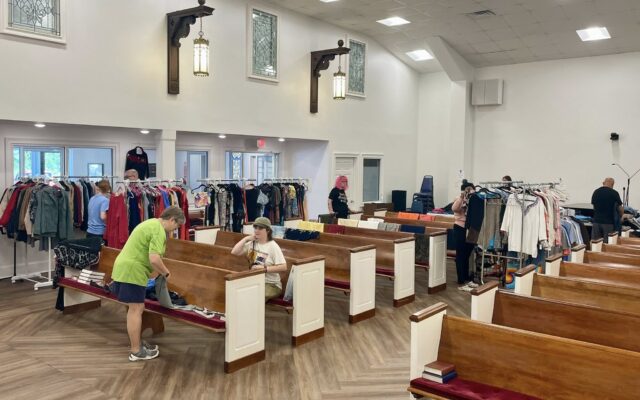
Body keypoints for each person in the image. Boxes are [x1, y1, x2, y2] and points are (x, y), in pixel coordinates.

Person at [110, 206, 185, 361]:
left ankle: (137, 343)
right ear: (172, 219)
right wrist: (166, 273)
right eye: (177, 226)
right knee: (135, 309)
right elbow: (154, 259)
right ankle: (136, 351)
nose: (175, 230)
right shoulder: (158, 230)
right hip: (132, 271)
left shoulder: (151, 223)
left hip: (126, 268)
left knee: (137, 308)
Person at [231, 217, 287, 301]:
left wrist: (265, 268)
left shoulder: (272, 246)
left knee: (254, 295)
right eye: (255, 228)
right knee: (237, 291)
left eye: (260, 228)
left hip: (271, 284)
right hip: (255, 280)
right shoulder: (252, 243)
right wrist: (246, 239)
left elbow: (284, 267)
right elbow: (234, 252)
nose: (256, 230)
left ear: (268, 230)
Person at [452, 182, 478, 291]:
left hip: (470, 228)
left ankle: (466, 275)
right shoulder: (459, 199)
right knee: (460, 253)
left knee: (467, 252)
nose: (469, 191)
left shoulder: (474, 199)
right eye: (467, 189)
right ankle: (461, 278)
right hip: (460, 227)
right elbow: (454, 208)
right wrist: (462, 197)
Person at [591, 177, 623, 242]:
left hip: (596, 222)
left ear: (603, 183)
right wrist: (621, 216)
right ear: (612, 184)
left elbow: (594, 206)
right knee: (607, 244)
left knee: (595, 243)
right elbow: (620, 208)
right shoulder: (614, 193)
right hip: (608, 223)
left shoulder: (596, 192)